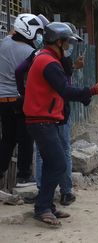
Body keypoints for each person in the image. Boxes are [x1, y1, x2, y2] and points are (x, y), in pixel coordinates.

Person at [23, 22, 98, 227]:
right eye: (67, 43)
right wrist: (93, 91)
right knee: (59, 164)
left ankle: (45, 206)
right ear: (59, 42)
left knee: (52, 164)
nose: (69, 47)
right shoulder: (49, 63)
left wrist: (89, 92)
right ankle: (43, 208)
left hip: (43, 120)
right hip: (41, 121)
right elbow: (66, 90)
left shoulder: (47, 59)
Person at [0, 13, 45, 186]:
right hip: (19, 100)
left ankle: (1, 170)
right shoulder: (31, 53)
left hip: (2, 100)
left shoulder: (4, 43)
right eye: (37, 32)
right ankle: (24, 175)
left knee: (7, 139)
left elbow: (12, 33)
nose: (39, 36)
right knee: (25, 138)